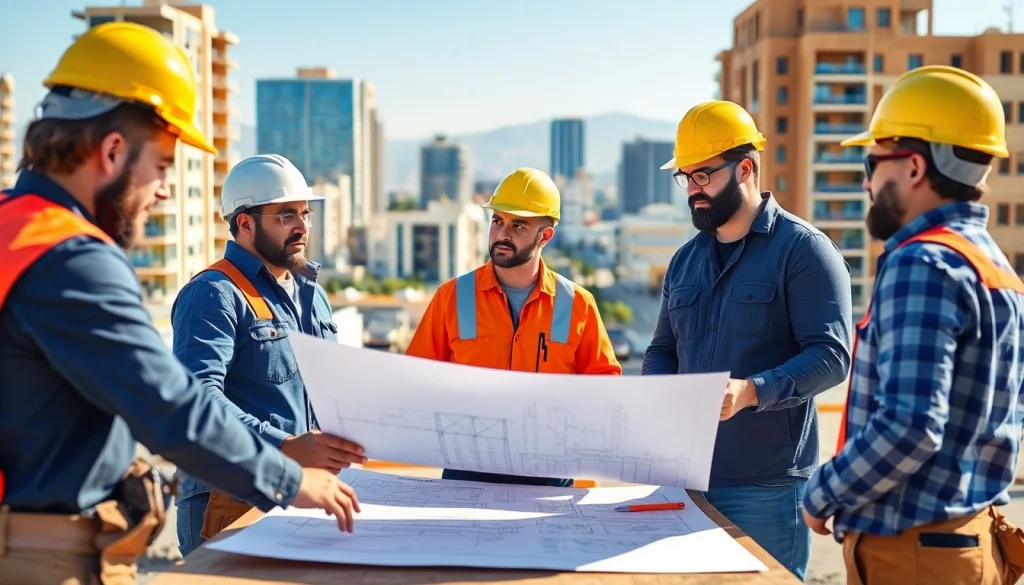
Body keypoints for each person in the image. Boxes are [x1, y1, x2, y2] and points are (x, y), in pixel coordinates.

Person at [0, 22, 359, 584]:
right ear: (114, 151)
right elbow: (171, 405)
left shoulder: (12, 228)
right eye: (163, 166)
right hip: (44, 553)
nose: (164, 190)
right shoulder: (72, 259)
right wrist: (289, 477)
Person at [801, 66, 1024, 585]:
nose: (867, 181)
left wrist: (822, 493)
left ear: (915, 167)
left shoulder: (921, 263)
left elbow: (910, 426)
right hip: (971, 544)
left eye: (872, 162)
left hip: (915, 556)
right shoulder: (996, 268)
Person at [641, 99, 853, 580]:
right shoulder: (684, 260)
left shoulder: (804, 252)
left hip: (767, 490)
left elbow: (832, 355)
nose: (693, 190)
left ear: (745, 168)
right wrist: (659, 391)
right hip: (685, 480)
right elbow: (662, 350)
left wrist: (752, 391)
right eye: (686, 178)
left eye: (703, 176)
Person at [171, 154, 367, 556]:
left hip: (310, 493)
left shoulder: (313, 294)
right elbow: (196, 400)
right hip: (232, 499)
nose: (301, 227)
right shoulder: (214, 293)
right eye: (285, 216)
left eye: (304, 214)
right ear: (244, 223)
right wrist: (282, 446)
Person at [405, 167, 622, 487]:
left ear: (545, 236)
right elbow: (414, 380)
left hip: (548, 476)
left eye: (518, 225)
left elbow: (605, 392)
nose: (502, 234)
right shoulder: (452, 297)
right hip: (467, 474)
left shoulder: (577, 304)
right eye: (497, 221)